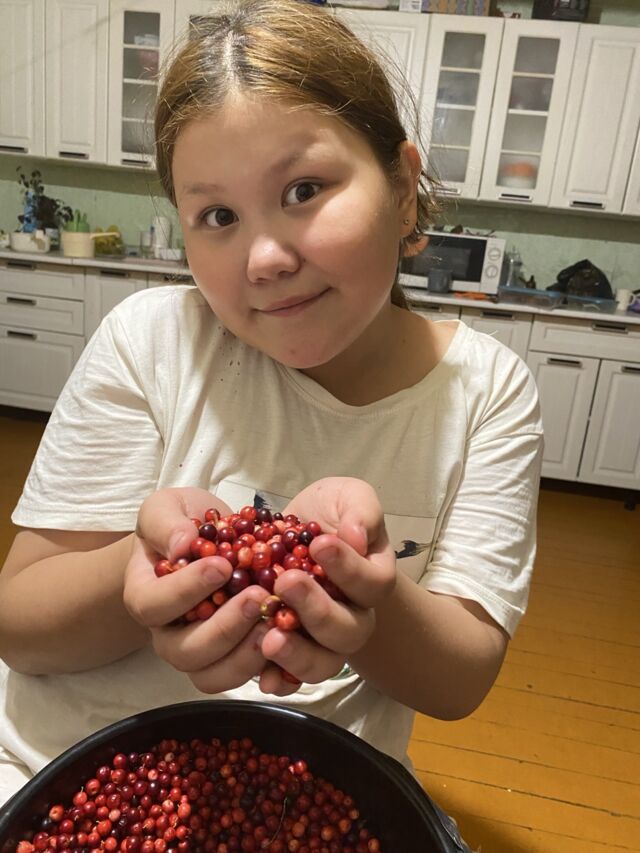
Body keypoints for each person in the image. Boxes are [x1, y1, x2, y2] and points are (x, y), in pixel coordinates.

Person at [0, 0, 542, 843]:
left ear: (403, 188)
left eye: (304, 190)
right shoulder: (153, 341)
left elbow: (459, 678)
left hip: (300, 793)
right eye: (218, 216)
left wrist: (367, 594)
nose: (264, 258)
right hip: (67, 777)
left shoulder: (487, 391)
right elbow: (21, 629)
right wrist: (142, 571)